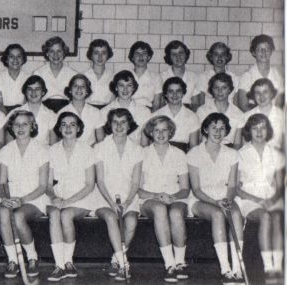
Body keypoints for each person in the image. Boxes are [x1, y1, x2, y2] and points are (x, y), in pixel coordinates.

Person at [188, 113, 244, 283]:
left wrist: (227, 199)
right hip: (201, 199)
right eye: (214, 127)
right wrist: (216, 203)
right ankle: (225, 268)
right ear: (205, 129)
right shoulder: (194, 153)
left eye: (222, 129)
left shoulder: (232, 153)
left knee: (235, 214)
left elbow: (233, 185)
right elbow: (196, 189)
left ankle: (237, 267)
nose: (218, 132)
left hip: (224, 195)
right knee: (218, 214)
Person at [93, 108, 143, 281]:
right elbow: (99, 180)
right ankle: (124, 264)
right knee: (110, 217)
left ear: (129, 125)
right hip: (103, 197)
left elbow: (136, 182)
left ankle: (116, 258)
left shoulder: (137, 149)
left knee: (131, 221)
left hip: (129, 197)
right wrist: (112, 203)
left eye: (123, 122)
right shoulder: (99, 148)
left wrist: (127, 202)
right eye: (115, 122)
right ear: (110, 124)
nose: (119, 126)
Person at [139, 115, 190, 282]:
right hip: (149, 198)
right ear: (150, 133)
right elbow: (138, 189)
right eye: (156, 130)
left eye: (164, 130)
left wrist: (172, 197)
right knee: (160, 209)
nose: (160, 134)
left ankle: (180, 262)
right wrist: (156, 196)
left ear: (170, 132)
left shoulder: (180, 154)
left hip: (175, 197)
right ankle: (170, 264)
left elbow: (185, 189)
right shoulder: (142, 154)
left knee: (175, 213)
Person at [0, 110, 49, 279]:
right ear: (11, 127)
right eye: (16, 124)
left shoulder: (42, 150)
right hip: (12, 198)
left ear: (32, 126)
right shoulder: (5, 150)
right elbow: (1, 182)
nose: (20, 128)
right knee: (3, 212)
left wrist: (22, 200)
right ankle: (13, 259)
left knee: (18, 216)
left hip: (34, 199)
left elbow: (43, 186)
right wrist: (6, 198)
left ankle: (32, 257)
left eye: (25, 124)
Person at [46, 112, 96, 281]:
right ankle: (59, 265)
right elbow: (47, 184)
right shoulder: (52, 150)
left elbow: (89, 185)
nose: (68, 128)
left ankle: (68, 262)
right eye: (64, 124)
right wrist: (54, 197)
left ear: (79, 128)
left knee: (66, 214)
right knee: (54, 214)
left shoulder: (87, 150)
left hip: (81, 198)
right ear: (59, 128)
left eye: (72, 124)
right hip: (59, 197)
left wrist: (68, 202)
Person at [237, 114, 284, 278]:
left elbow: (279, 185)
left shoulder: (276, 153)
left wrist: (272, 199)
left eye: (262, 127)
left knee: (278, 217)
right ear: (249, 131)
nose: (259, 131)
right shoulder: (241, 153)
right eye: (254, 128)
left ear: (268, 130)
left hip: (271, 197)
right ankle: (267, 266)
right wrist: (258, 200)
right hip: (248, 198)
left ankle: (278, 266)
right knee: (265, 217)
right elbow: (236, 188)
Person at [98, 70, 150, 146]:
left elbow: (145, 143)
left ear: (133, 88)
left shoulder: (144, 111)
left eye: (129, 85)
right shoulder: (104, 111)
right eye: (121, 85)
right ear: (116, 87)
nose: (125, 89)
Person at [152, 77, 200, 152]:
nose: (175, 95)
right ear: (165, 94)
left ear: (183, 93)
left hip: (183, 156)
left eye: (178, 91)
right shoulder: (157, 115)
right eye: (171, 91)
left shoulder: (192, 116)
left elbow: (193, 147)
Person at [197, 73, 245, 149]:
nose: (220, 91)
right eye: (216, 88)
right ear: (211, 90)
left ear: (230, 90)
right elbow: (199, 139)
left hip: (228, 152)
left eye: (224, 88)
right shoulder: (202, 111)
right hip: (206, 150)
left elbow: (237, 144)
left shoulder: (238, 113)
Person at [5, 75, 56, 146]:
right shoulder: (15, 112)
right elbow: (9, 143)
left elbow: (53, 144)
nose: (33, 92)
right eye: (30, 89)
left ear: (43, 92)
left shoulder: (51, 115)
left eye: (37, 89)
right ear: (25, 92)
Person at [237, 34, 284, 111]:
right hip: (253, 120)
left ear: (271, 51)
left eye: (267, 49)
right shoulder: (247, 76)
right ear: (253, 52)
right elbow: (243, 105)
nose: (264, 52)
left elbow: (279, 103)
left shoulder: (278, 75)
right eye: (259, 49)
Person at [54, 74, 102, 146]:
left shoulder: (95, 112)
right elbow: (59, 139)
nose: (79, 89)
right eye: (75, 86)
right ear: (70, 90)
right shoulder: (62, 112)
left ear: (87, 91)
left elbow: (100, 140)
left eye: (83, 86)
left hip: (91, 151)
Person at [33, 36, 77, 112]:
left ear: (64, 52)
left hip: (67, 110)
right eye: (52, 51)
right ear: (47, 53)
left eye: (59, 51)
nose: (55, 55)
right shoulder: (38, 73)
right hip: (44, 110)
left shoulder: (73, 74)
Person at [160, 41, 202, 110]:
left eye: (181, 53)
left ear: (186, 55)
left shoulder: (194, 77)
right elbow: (161, 104)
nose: (178, 57)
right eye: (174, 54)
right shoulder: (162, 77)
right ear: (169, 57)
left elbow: (195, 104)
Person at [244, 78, 284, 150]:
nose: (261, 96)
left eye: (265, 92)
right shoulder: (247, 116)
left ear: (272, 93)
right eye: (257, 93)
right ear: (253, 96)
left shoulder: (282, 115)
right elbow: (245, 145)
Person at [195, 42, 239, 106]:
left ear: (227, 57)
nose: (219, 57)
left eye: (223, 54)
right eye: (216, 54)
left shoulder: (234, 77)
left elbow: (235, 104)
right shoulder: (203, 77)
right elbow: (202, 104)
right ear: (211, 57)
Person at [0, 44, 30, 113]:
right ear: (6, 59)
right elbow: (0, 104)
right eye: (11, 56)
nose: (15, 59)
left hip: (22, 112)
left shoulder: (28, 78)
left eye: (19, 56)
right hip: (3, 112)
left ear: (23, 60)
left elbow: (26, 103)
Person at [128, 41, 163, 110]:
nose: (141, 57)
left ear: (149, 57)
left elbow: (157, 104)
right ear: (132, 57)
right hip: (128, 112)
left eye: (144, 53)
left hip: (147, 113)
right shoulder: (126, 75)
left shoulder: (156, 77)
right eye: (137, 54)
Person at [83, 39, 115, 109]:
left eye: (103, 53)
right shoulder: (84, 76)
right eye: (96, 53)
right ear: (91, 55)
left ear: (108, 55)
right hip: (88, 111)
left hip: (107, 111)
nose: (100, 57)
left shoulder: (113, 77)